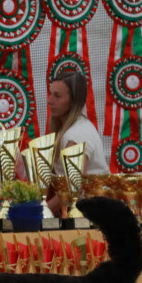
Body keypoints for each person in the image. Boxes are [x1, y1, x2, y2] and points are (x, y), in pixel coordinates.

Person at [46, 70, 109, 216]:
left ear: (74, 101)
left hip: (92, 215)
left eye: (57, 96)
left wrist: (43, 211)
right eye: (50, 93)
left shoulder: (75, 135)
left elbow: (74, 187)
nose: (49, 100)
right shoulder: (77, 128)